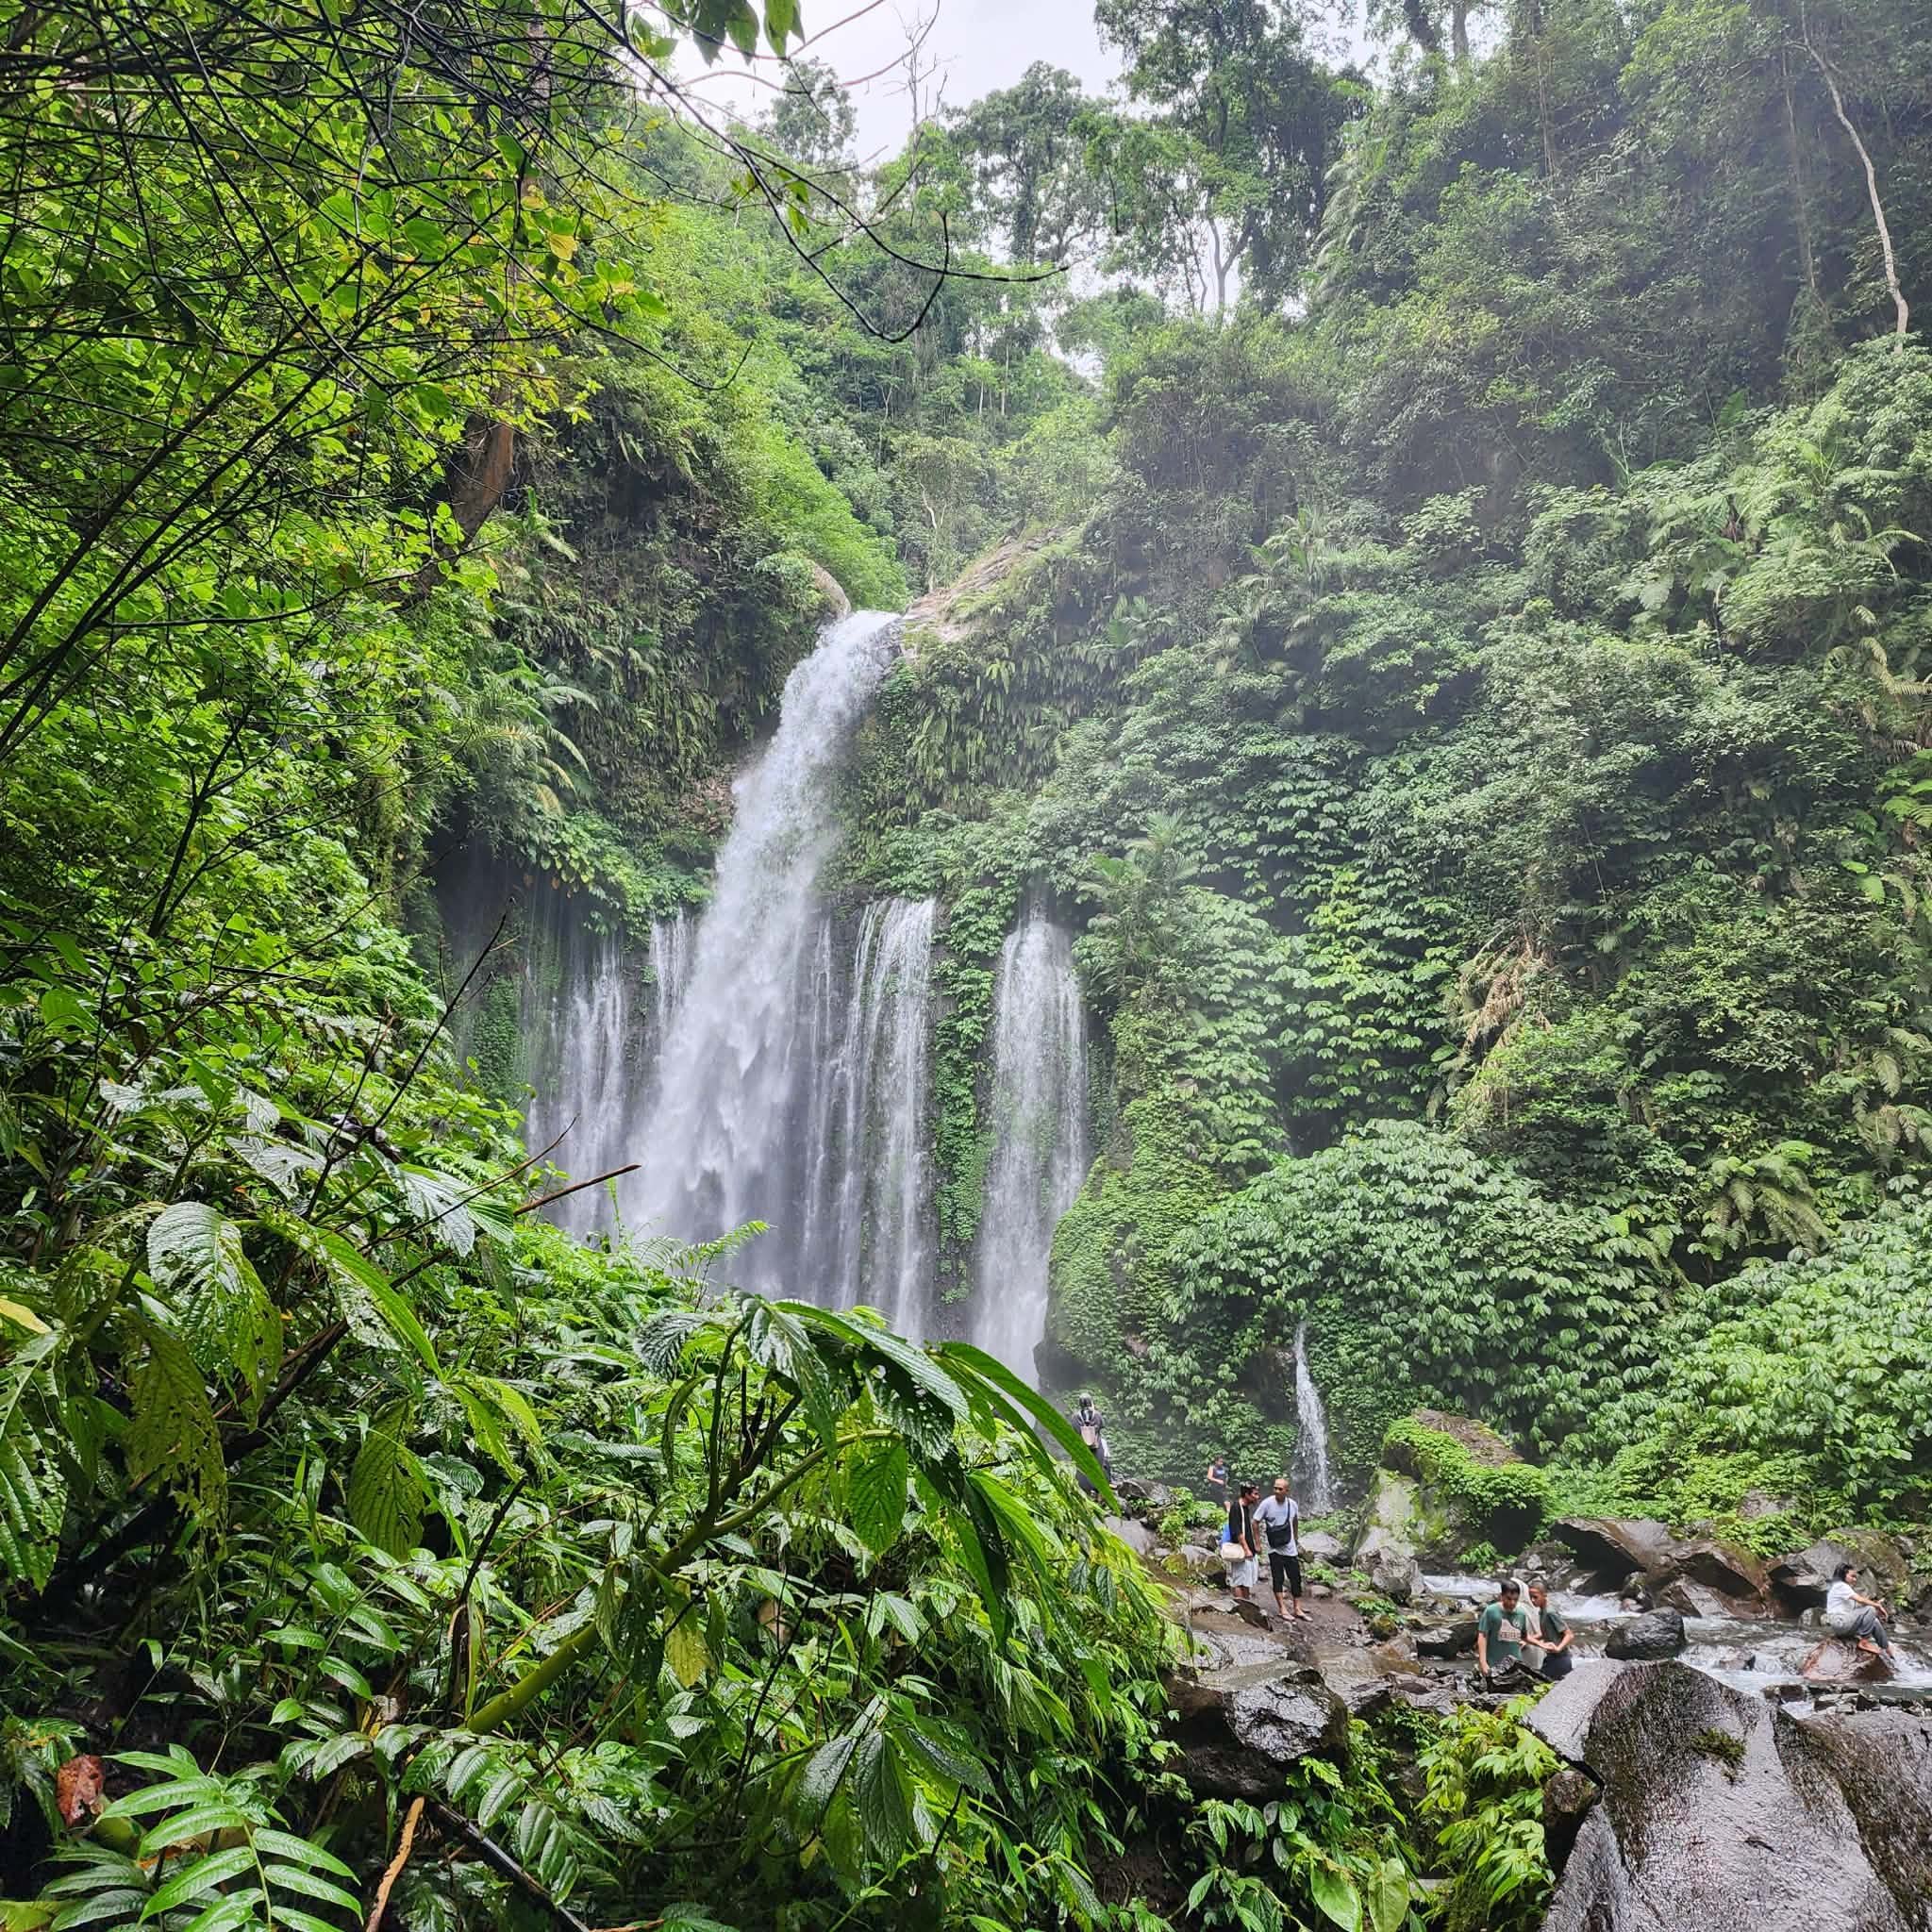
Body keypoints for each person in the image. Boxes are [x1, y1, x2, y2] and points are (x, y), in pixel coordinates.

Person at [1252, 1475, 1308, 1623]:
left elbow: (1295, 1521)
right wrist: (1258, 1543)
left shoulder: (1293, 1504)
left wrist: (1295, 1539)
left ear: (1287, 1491)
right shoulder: (1267, 1504)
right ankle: (1282, 1609)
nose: (1276, 1491)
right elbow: (1255, 1522)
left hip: (1290, 1548)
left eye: (1280, 1489)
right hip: (1274, 1549)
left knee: (1295, 1578)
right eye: (1275, 1488)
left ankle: (1297, 1608)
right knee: (1278, 1578)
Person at [1824, 1561, 1893, 1657]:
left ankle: (1887, 1649)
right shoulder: (1840, 1586)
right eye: (1852, 1576)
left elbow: (1858, 1609)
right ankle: (1864, 1642)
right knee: (1870, 1608)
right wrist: (1877, 1606)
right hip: (1840, 1623)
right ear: (1843, 1575)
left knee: (1875, 1621)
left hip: (1846, 1624)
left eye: (1855, 1577)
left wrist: (1876, 1605)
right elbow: (1861, 1600)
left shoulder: (1845, 1589)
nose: (1855, 1579)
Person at [1476, 1577, 1534, 1683]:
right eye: (1509, 1598)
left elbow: (1524, 1636)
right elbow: (1482, 1636)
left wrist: (1543, 1645)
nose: (1512, 1602)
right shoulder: (1490, 1611)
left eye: (1515, 1600)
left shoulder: (1521, 1613)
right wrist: (1483, 1662)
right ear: (1501, 1596)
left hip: (1516, 1666)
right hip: (1494, 1664)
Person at [1525, 1580, 1574, 1679]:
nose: (1532, 1600)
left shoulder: (1550, 1612)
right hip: (1551, 1657)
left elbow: (1569, 1635)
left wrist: (1558, 1648)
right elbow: (1545, 1634)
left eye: (1535, 1597)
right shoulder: (1541, 1612)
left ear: (1544, 1595)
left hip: (1560, 1659)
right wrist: (1527, 1640)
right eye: (1530, 1597)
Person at [1223, 1480, 1259, 1604]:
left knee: (1246, 1579)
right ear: (1247, 1495)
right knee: (1239, 1580)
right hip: (1241, 1550)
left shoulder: (1244, 1507)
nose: (1257, 1497)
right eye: (1255, 1494)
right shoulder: (1236, 1507)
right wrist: (1247, 1549)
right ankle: (1240, 1605)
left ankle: (1247, 1603)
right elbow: (1238, 1531)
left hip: (1246, 1549)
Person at [1072, 1393, 1113, 1497]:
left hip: (1081, 1448)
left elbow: (1074, 1430)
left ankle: (1084, 1491)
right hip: (1096, 1447)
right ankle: (1098, 1490)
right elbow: (1101, 1426)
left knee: (1082, 1468)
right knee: (1098, 1466)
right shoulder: (1097, 1415)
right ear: (1090, 1402)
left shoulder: (1075, 1416)